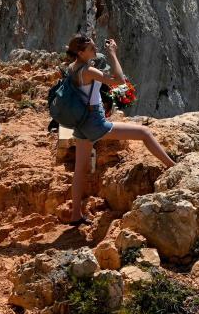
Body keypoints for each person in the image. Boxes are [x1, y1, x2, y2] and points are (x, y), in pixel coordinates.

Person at [64, 35, 174, 225]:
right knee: (144, 133)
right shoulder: (88, 70)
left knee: (80, 170)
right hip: (95, 124)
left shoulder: (71, 68)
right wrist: (113, 54)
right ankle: (173, 167)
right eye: (91, 49)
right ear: (80, 53)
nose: (94, 50)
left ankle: (75, 216)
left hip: (80, 123)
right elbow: (120, 81)